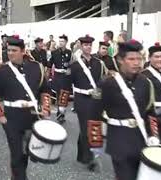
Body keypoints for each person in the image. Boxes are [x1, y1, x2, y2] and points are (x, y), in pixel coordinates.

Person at [0, 35, 50, 180]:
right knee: (17, 154)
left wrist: (45, 108)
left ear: (23, 51)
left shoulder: (36, 67)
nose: (10, 53)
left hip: (32, 116)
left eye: (14, 50)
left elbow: (45, 89)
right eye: (8, 50)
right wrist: (0, 115)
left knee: (26, 152)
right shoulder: (1, 71)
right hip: (12, 118)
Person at [92, 40, 160, 180]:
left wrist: (154, 135)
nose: (137, 63)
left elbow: (150, 112)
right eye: (131, 59)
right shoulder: (107, 83)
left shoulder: (146, 83)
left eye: (139, 59)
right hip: (119, 140)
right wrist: (95, 142)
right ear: (120, 60)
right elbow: (94, 114)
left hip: (142, 138)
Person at [69, 35, 107, 170]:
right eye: (85, 45)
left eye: (90, 45)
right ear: (81, 46)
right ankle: (90, 158)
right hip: (82, 99)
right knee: (86, 128)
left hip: (95, 99)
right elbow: (68, 83)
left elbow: (102, 82)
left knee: (93, 127)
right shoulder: (74, 65)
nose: (88, 47)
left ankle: (82, 154)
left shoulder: (98, 63)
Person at [46, 34, 72, 124]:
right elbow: (49, 65)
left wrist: (69, 69)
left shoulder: (70, 52)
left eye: (63, 41)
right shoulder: (54, 52)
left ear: (66, 42)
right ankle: (59, 114)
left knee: (64, 96)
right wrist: (48, 76)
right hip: (57, 76)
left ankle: (62, 114)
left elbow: (72, 64)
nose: (61, 43)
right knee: (58, 96)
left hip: (66, 76)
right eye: (60, 41)